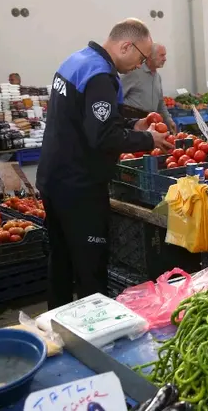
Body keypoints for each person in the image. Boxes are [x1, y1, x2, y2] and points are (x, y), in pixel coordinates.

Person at [36, 19, 174, 309]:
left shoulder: (77, 61)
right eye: (140, 56)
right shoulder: (101, 75)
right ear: (126, 45)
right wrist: (148, 140)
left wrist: (134, 124)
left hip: (53, 176)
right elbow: (103, 136)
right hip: (79, 185)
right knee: (90, 267)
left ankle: (56, 325)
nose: (140, 64)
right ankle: (93, 336)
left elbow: (91, 119)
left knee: (60, 259)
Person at [120, 43, 177, 133]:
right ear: (150, 56)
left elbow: (160, 103)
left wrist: (169, 120)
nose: (165, 59)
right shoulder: (133, 72)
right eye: (162, 55)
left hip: (151, 124)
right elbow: (116, 97)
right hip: (132, 125)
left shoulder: (157, 77)